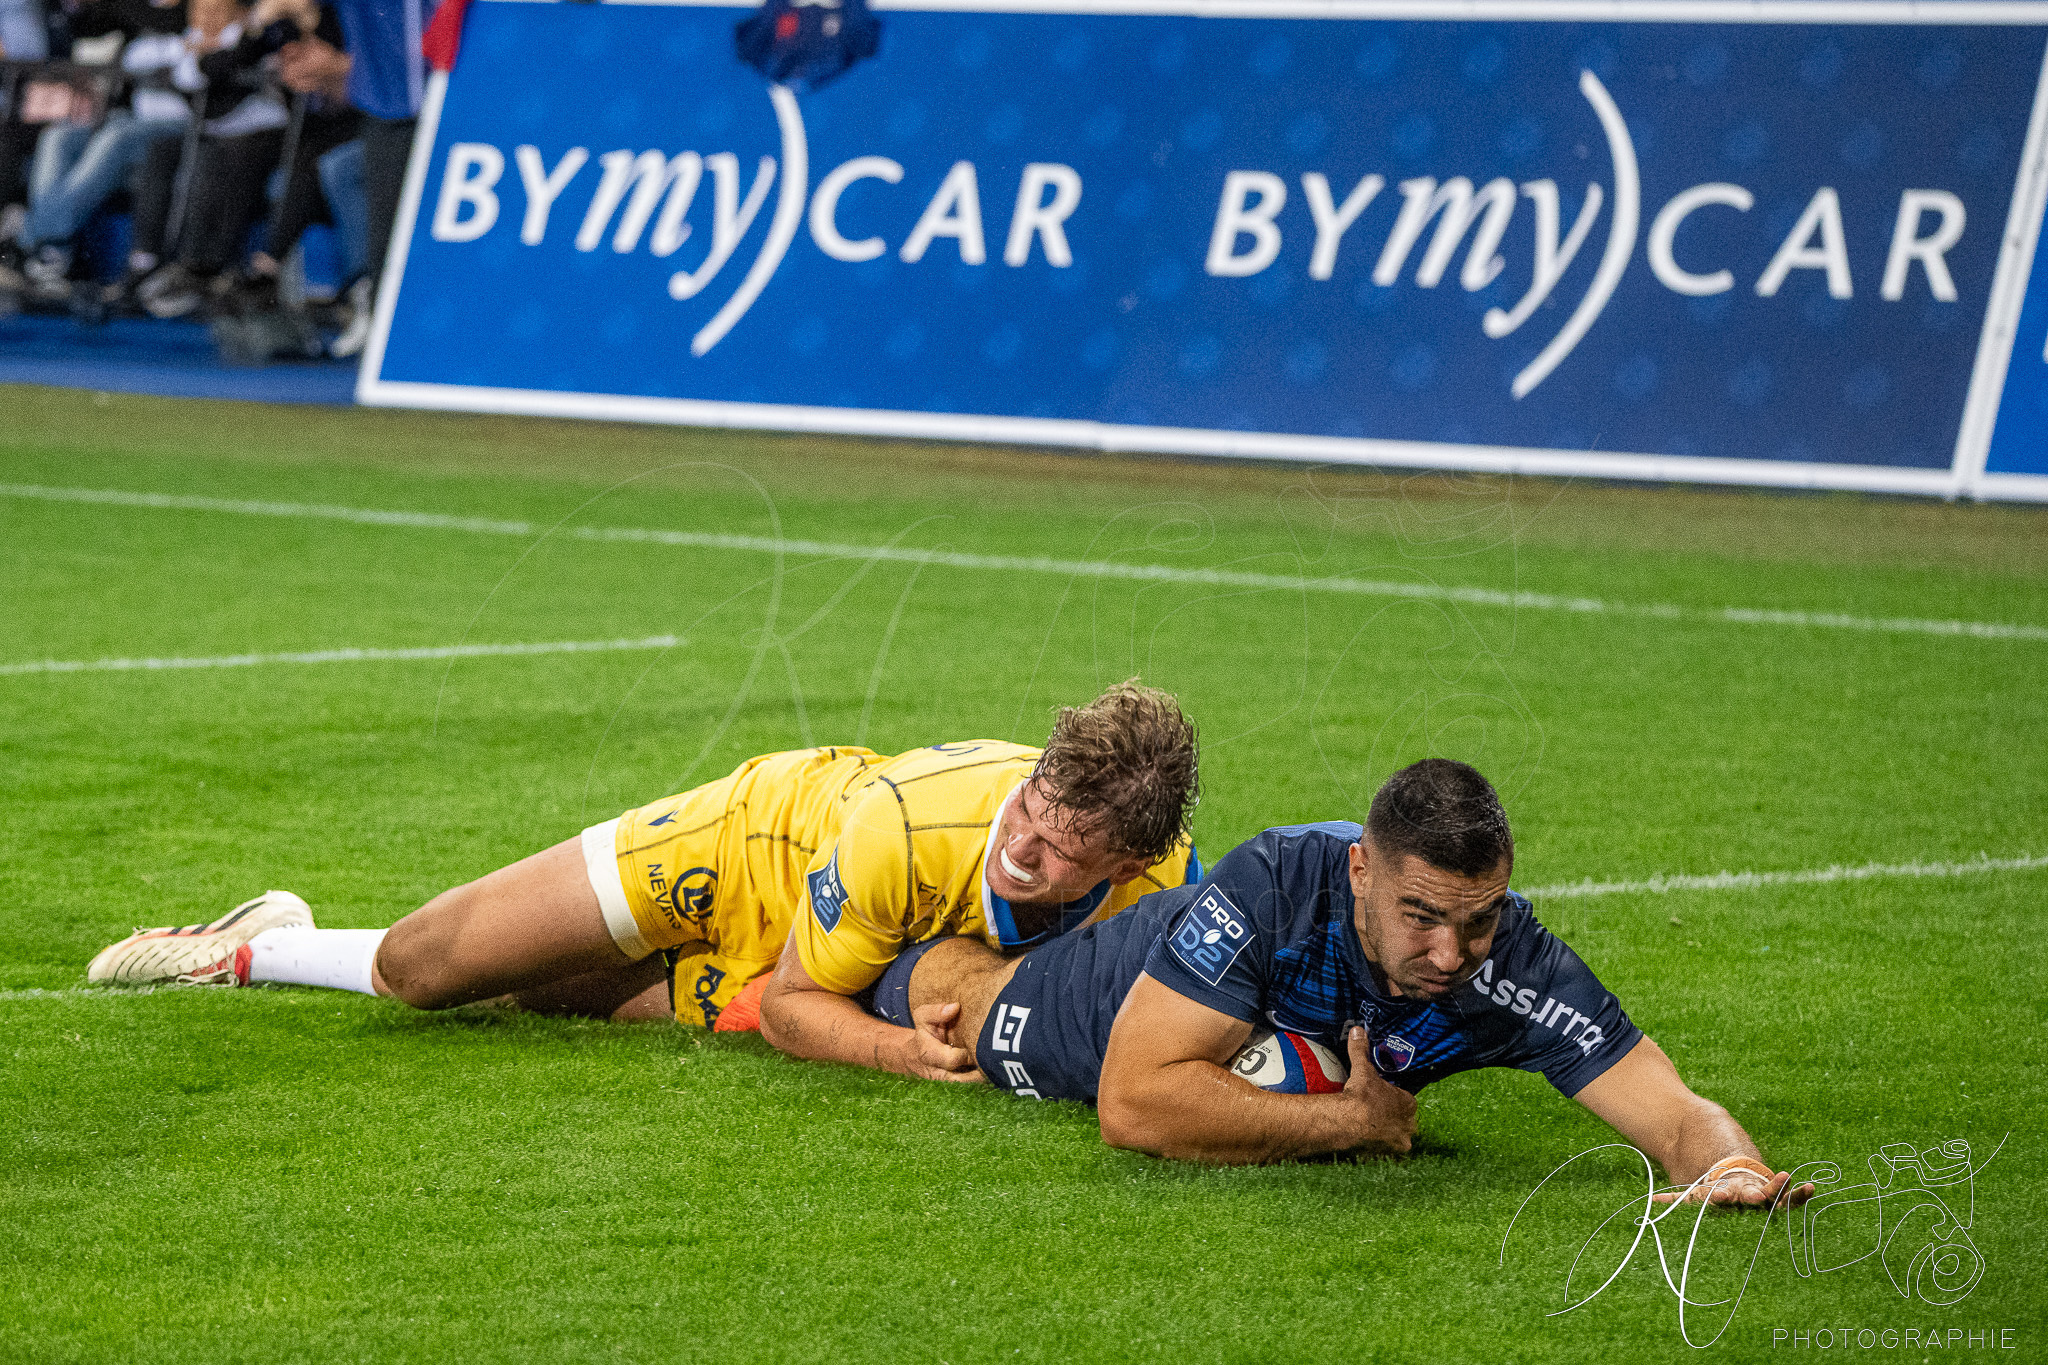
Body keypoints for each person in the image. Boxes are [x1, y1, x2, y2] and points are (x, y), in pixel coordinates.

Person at [85, 680, 1204, 1081]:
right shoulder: (908, 827)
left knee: (543, 1001)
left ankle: (263, 949)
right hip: (748, 846)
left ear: (1126, 861)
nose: (1025, 850)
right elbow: (804, 1007)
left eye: (1060, 855)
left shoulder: (1159, 885)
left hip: (834, 935)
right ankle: (260, 942)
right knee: (423, 972)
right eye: (1030, 810)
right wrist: (894, 1050)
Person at [874, 758, 1815, 1205]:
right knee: (966, 1004)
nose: (1453, 954)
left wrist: (1730, 1167)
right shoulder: (1277, 883)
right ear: (1362, 872)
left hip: (1227, 1012)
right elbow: (1131, 1105)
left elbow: (1675, 1109)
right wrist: (1351, 1121)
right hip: (1120, 985)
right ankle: (846, 958)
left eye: (1478, 918)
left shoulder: (1512, 965)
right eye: (1422, 916)